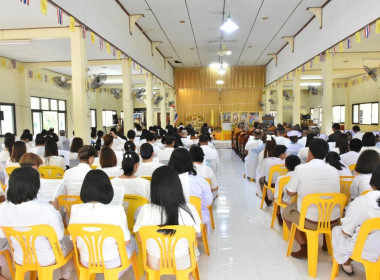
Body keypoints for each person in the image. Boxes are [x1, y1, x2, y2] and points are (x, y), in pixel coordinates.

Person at [0, 167, 74, 280]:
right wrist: (56, 210)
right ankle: (65, 277)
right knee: (71, 242)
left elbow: (2, 234)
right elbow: (58, 235)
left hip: (21, 257)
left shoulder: (3, 208)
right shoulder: (46, 209)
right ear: (35, 187)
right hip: (46, 258)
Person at [133, 166, 201, 271]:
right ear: (178, 186)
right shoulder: (189, 209)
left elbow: (140, 238)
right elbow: (194, 237)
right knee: (192, 254)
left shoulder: (145, 210)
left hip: (154, 261)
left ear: (154, 188)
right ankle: (188, 276)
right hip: (182, 260)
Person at [283, 139, 341, 259]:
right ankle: (326, 243)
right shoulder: (334, 170)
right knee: (325, 204)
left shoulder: (300, 169)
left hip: (311, 222)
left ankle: (304, 247)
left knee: (286, 212)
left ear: (309, 153)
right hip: (333, 220)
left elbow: (290, 192)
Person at [69, 170, 137, 272]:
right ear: (108, 189)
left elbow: (73, 239)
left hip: (86, 260)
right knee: (134, 242)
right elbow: (126, 242)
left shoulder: (75, 209)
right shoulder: (117, 209)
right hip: (112, 261)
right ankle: (117, 274)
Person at [332, 166, 380, 276]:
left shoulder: (362, 202)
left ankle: (347, 264)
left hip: (366, 250)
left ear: (372, 182)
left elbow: (346, 231)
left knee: (337, 231)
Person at [168, 148, 213, 231]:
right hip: (196, 222)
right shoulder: (200, 181)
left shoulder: (165, 181)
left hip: (171, 223)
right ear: (190, 162)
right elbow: (208, 202)